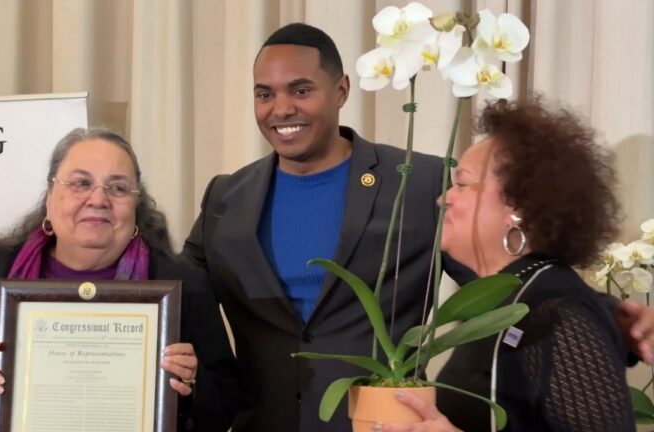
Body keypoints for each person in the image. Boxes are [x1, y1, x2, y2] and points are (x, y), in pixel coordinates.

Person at [182, 22, 654, 432]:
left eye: (300, 90)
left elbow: (507, 284)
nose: (280, 109)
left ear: (342, 90)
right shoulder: (227, 197)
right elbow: (179, 288)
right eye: (265, 94)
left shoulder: (418, 182)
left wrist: (607, 314)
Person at [0, 128, 239, 432]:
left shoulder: (182, 285)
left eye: (118, 188)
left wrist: (192, 381)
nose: (98, 199)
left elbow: (227, 402)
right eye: (81, 183)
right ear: (50, 197)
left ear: (136, 205)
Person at [375, 98, 635, 431]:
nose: (444, 198)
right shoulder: (509, 299)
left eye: (463, 183)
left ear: (519, 204)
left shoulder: (557, 313)